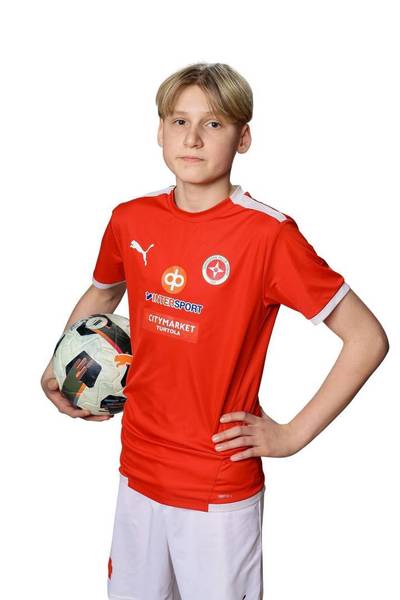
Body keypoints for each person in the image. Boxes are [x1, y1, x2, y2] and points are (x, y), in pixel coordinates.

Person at [40, 62, 389, 600]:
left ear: (242, 138)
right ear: (160, 131)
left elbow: (367, 338)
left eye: (214, 123)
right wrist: (61, 367)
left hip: (217, 487)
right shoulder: (131, 219)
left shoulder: (268, 235)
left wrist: (292, 435)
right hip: (137, 471)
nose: (193, 138)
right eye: (179, 121)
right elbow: (103, 294)